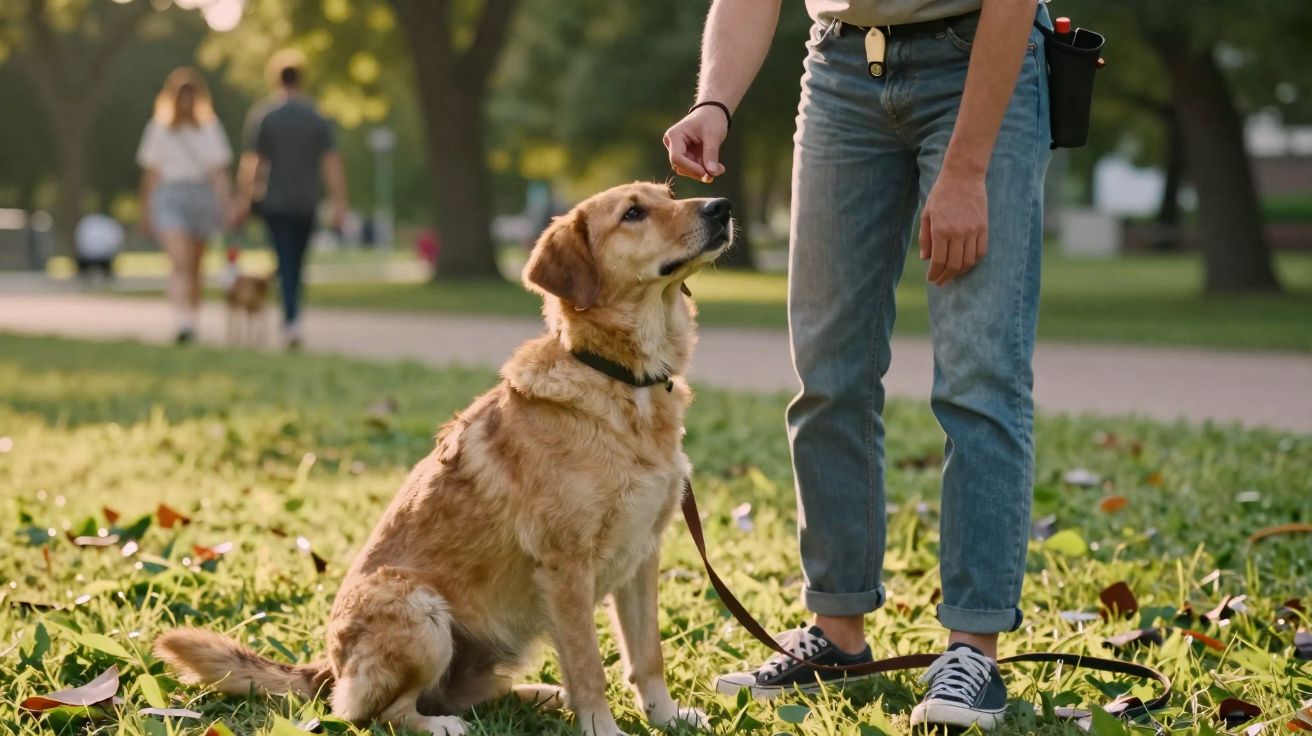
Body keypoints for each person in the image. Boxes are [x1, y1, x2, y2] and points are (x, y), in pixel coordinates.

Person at [664, 0, 1051, 729]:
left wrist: (968, 169)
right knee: (828, 374)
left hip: (978, 59)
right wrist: (713, 102)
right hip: (841, 68)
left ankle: (973, 649)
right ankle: (837, 636)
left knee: (980, 377)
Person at [230, 49, 348, 349]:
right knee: (296, 261)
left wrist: (244, 198)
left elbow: (254, 162)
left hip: (277, 202)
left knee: (285, 259)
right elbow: (331, 163)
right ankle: (292, 320)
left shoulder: (266, 115)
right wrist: (339, 202)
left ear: (275, 79)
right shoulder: (317, 117)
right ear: (302, 79)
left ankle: (290, 319)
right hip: (306, 201)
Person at [137, 67, 234, 343]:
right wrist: (145, 209)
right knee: (179, 260)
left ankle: (192, 317)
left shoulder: (209, 128)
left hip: (201, 196)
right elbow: (151, 173)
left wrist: (227, 205)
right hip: (170, 195)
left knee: (195, 264)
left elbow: (218, 172)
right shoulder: (158, 129)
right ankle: (180, 320)